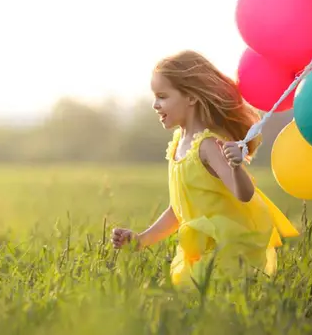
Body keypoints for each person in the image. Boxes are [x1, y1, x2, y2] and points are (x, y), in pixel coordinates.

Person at [111, 50, 299, 287]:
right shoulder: (178, 143)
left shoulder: (208, 145)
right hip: (198, 249)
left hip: (225, 248)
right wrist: (140, 240)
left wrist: (236, 166)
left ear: (191, 97)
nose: (155, 105)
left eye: (162, 96)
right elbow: (178, 209)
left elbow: (244, 193)